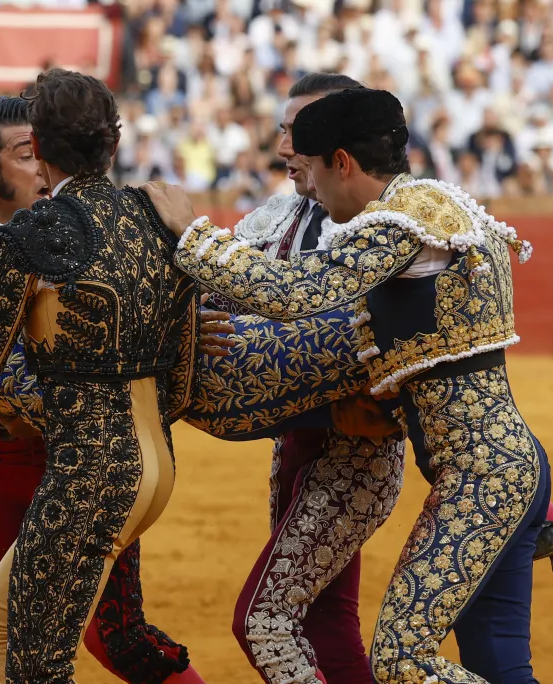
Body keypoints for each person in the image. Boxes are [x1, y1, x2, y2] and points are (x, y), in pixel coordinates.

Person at [146, 87, 551, 684]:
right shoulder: (435, 207)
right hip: (496, 471)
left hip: (483, 480)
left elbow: (293, 294)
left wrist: (190, 233)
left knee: (401, 661)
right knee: (497, 664)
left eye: (309, 171)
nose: (307, 189)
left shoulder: (400, 223)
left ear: (342, 162)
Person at [0, 96, 205, 684]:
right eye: (28, 153)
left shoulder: (99, 227)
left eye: (44, 148)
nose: (44, 161)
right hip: (8, 464)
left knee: (116, 637)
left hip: (93, 458)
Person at [202, 72, 408, 684]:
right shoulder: (277, 216)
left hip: (358, 450)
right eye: (285, 129)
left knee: (267, 619)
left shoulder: (393, 223)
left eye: (299, 131)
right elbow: (217, 294)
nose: (285, 147)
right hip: (297, 447)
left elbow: (421, 352)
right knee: (326, 622)